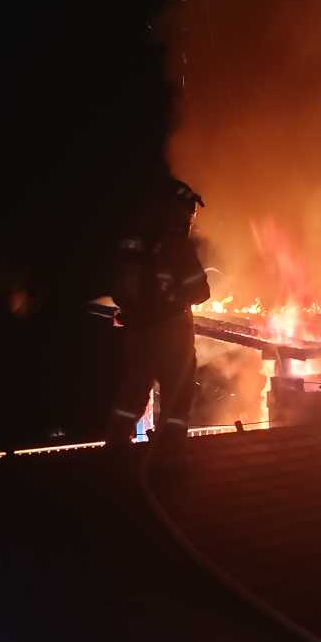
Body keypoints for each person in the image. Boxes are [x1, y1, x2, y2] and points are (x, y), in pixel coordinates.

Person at [100, 178, 210, 461]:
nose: (190, 219)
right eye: (189, 211)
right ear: (176, 210)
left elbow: (120, 288)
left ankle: (115, 448)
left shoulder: (132, 242)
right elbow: (201, 292)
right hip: (172, 333)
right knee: (178, 395)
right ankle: (170, 454)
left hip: (137, 331)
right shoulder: (176, 245)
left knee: (134, 391)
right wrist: (178, 296)